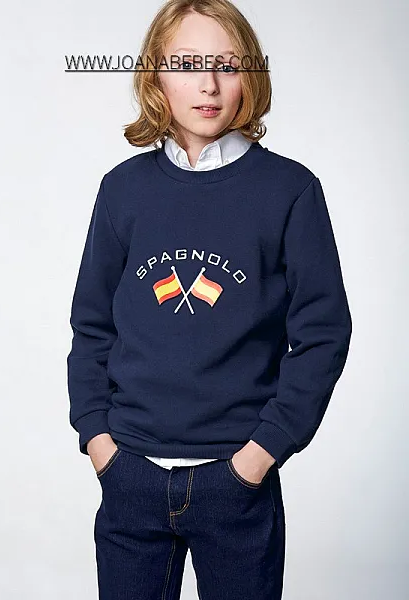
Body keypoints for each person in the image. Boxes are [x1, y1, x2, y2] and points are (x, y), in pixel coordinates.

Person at [66, 1, 352, 598]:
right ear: (155, 76)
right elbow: (92, 326)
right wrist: (99, 442)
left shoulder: (290, 191)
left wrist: (260, 455)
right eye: (187, 64)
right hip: (131, 474)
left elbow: (323, 335)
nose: (209, 84)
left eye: (227, 64)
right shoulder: (122, 191)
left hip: (237, 479)